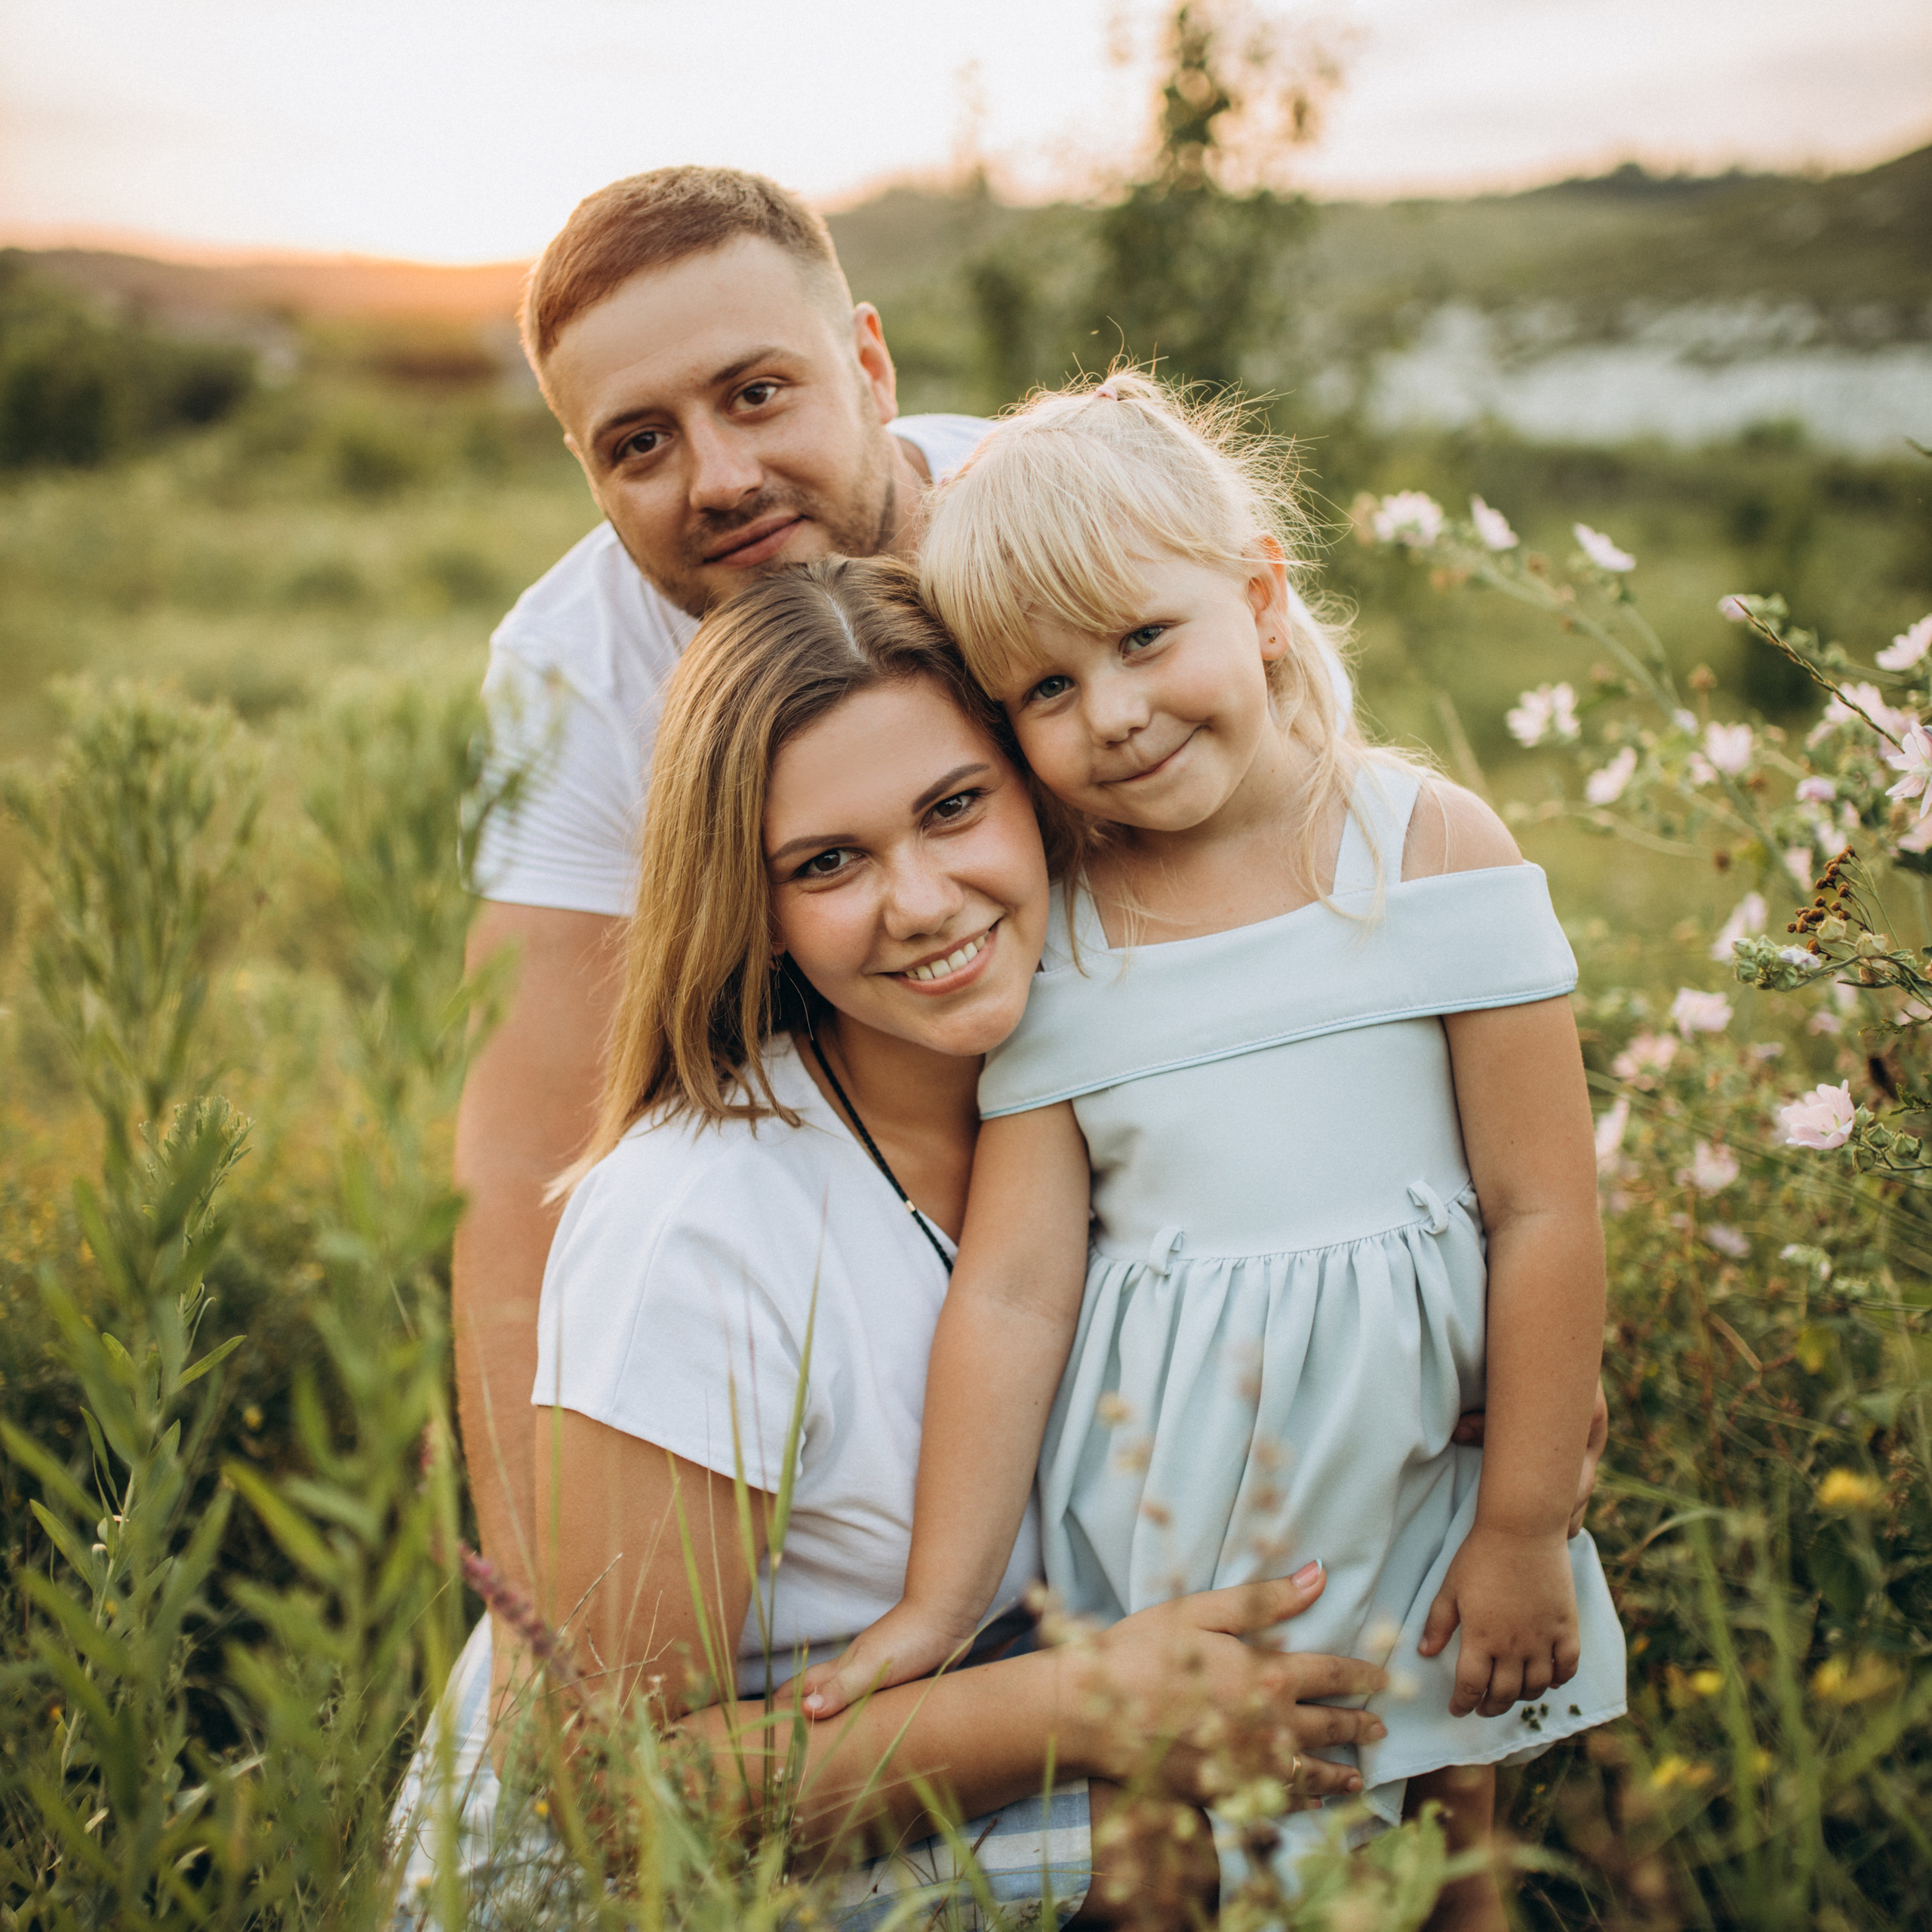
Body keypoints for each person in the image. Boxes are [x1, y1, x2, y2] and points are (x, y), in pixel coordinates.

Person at [392, 557, 1397, 1927]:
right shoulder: (705, 1225)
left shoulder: (1136, 1098)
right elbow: (598, 1794)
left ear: (1038, 791)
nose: (921, 902)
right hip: (612, 1891)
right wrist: (1081, 1708)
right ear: (754, 907)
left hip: (949, 1774)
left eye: (953, 808)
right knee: (1184, 1851)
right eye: (829, 863)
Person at [795, 376, 1629, 1928]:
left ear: (1255, 594)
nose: (1107, 711)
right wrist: (940, 1599)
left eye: (1140, 639)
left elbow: (1539, 1204)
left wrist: (1525, 1522)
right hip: (1178, 1529)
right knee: (1165, 1886)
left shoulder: (1425, 847)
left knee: (1459, 1864)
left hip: (1430, 1495)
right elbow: (1017, 1291)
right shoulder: (1070, 934)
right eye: (1041, 690)